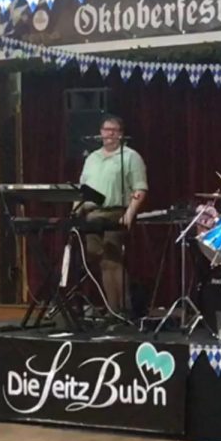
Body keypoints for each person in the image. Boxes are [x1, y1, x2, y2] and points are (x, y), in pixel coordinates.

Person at [78, 115, 148, 315]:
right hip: (92, 215)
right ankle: (112, 306)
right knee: (100, 260)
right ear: (100, 132)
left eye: (114, 130)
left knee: (111, 259)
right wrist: (76, 210)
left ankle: (120, 309)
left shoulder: (130, 157)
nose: (110, 133)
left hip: (115, 212)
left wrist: (130, 213)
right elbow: (83, 188)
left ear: (121, 134)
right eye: (106, 129)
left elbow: (140, 188)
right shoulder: (92, 158)